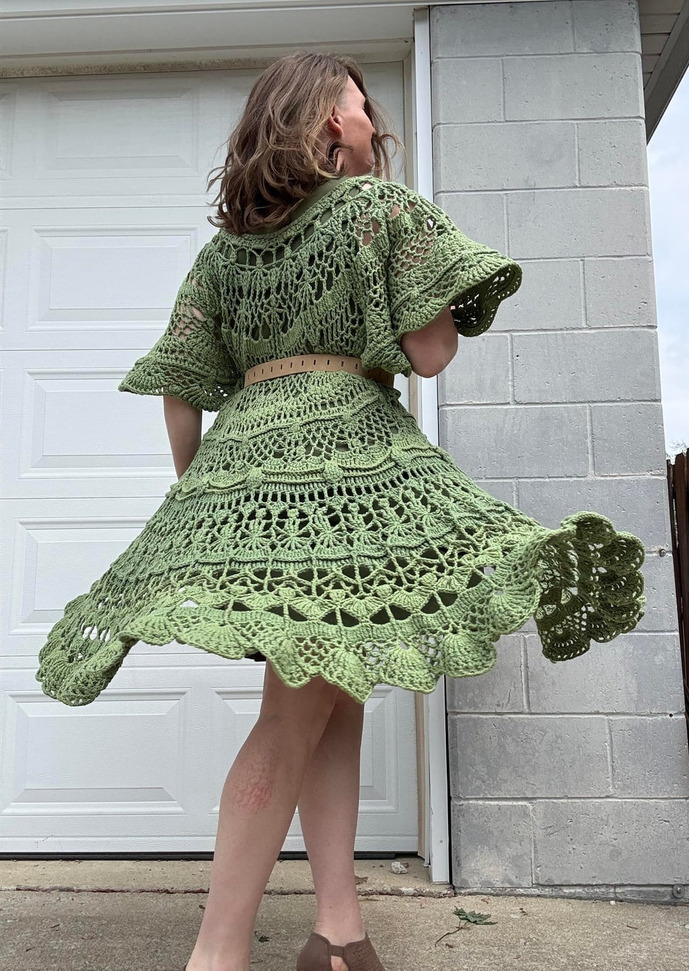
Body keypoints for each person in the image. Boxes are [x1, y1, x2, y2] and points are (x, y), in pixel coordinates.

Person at [34, 51, 647, 971]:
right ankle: (216, 953)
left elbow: (181, 393)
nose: (372, 119)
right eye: (362, 104)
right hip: (345, 472)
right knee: (292, 717)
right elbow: (430, 353)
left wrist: (210, 503)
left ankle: (339, 928)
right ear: (331, 117)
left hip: (243, 475)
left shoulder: (223, 254)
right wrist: (409, 272)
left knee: (333, 693)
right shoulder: (376, 211)